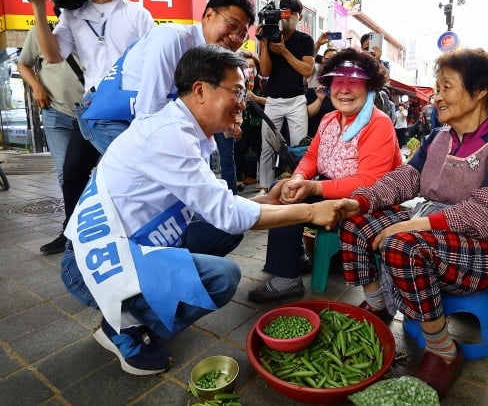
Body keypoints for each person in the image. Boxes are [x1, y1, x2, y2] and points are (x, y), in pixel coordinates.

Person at [60, 45, 341, 376]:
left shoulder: (185, 130)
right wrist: (310, 213)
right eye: (236, 91)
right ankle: (124, 327)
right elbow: (228, 213)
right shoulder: (170, 136)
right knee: (223, 278)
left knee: (227, 231)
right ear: (200, 90)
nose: (242, 103)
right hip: (94, 265)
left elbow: (219, 208)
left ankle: (151, 304)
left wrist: (270, 199)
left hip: (138, 242)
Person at [330, 48, 488, 396]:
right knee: (359, 221)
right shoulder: (438, 138)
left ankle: (443, 350)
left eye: (447, 86)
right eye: (437, 86)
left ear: (479, 93)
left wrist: (405, 227)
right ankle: (378, 303)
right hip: (432, 235)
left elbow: (487, 214)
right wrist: (358, 200)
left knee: (403, 245)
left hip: (487, 249)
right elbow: (405, 179)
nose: (437, 96)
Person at [248, 48, 402, 302]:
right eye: (337, 82)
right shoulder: (330, 119)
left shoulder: (379, 123)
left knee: (296, 197)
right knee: (285, 187)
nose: (344, 90)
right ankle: (293, 259)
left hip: (366, 202)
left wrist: (313, 188)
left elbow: (369, 182)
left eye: (354, 83)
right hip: (329, 189)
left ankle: (287, 277)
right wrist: (298, 179)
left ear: (369, 87)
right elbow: (311, 158)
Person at [78, 0, 255, 193]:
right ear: (209, 14)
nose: (234, 37)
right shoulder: (172, 39)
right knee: (148, 184)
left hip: (146, 120)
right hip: (111, 117)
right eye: (232, 25)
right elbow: (149, 113)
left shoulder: (213, 61)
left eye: (242, 33)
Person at [26, 0, 154, 254]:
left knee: (128, 175)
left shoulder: (138, 14)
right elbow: (52, 55)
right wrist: (37, 5)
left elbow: (152, 63)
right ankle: (72, 235)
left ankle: (137, 236)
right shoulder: (72, 16)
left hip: (129, 109)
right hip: (92, 107)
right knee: (72, 173)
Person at [17, 25, 84, 195]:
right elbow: (23, 64)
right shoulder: (42, 32)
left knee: (104, 168)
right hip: (56, 112)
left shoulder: (94, 31)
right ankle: (73, 217)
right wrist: (36, 87)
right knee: (65, 170)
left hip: (92, 113)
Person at [257, 0, 315, 191]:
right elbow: (264, 72)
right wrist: (264, 44)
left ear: (299, 17)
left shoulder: (305, 40)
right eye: (283, 14)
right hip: (273, 99)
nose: (287, 19)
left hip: (296, 100)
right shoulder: (271, 36)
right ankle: (265, 188)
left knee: (298, 147)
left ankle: (298, 184)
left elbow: (307, 70)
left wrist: (284, 52)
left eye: (291, 15)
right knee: (267, 147)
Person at [234, 50, 266, 191]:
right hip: (242, 120)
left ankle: (262, 179)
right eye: (246, 67)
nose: (249, 70)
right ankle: (239, 178)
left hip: (259, 120)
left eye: (252, 66)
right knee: (239, 149)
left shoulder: (261, 83)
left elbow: (273, 101)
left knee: (260, 149)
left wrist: (256, 98)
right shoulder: (237, 83)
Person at [305, 48, 338, 137]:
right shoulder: (312, 92)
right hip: (315, 136)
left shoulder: (340, 94)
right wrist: (319, 100)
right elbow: (306, 115)